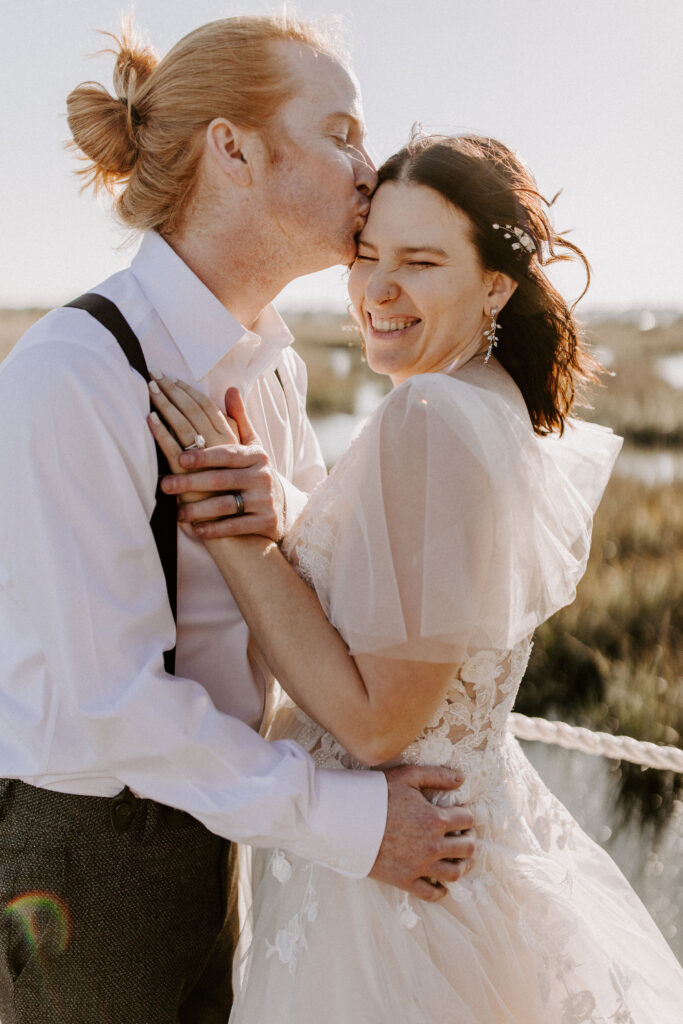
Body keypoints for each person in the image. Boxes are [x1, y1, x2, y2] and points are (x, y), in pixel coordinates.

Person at [0, 18, 476, 1024]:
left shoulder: (275, 365)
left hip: (218, 825)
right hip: (81, 864)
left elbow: (317, 589)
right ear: (233, 149)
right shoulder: (69, 376)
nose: (369, 165)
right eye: (340, 129)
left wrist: (281, 512)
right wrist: (348, 824)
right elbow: (114, 704)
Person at [149, 133, 683, 1022]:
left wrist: (237, 541)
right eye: (367, 257)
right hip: (462, 846)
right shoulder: (487, 399)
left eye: (421, 262)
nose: (377, 290)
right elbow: (405, 574)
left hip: (392, 892)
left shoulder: (430, 412)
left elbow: (373, 722)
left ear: (494, 285)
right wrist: (282, 504)